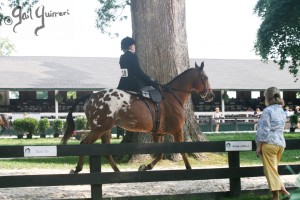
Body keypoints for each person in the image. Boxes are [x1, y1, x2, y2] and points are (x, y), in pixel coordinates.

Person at [256, 87, 290, 200]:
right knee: (273, 169)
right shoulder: (282, 110)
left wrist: (258, 145)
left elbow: (263, 130)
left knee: (270, 171)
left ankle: (276, 196)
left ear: (268, 98)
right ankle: (284, 191)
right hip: (280, 143)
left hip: (269, 143)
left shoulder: (267, 111)